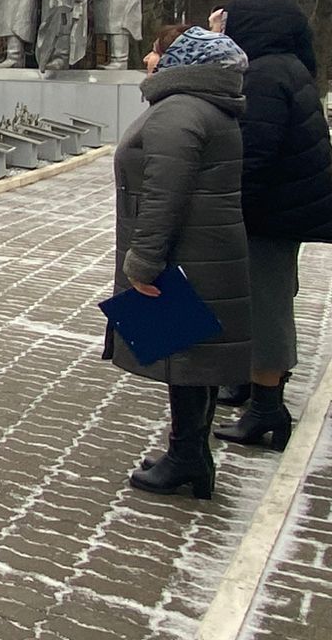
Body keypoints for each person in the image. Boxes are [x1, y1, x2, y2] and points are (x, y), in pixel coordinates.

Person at [111, 24, 252, 499]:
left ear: (180, 62)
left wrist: (143, 262)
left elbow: (164, 194)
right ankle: (189, 452)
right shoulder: (207, 106)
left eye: (155, 52)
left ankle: (188, 457)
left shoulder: (179, 111)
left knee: (184, 357)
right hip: (205, 248)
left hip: (184, 251)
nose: (149, 60)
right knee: (193, 355)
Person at [211, 0, 332, 450]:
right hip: (280, 211)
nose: (224, 31)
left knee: (266, 309)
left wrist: (230, 209)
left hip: (266, 215)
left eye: (229, 23)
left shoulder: (264, 75)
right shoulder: (287, 67)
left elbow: (253, 154)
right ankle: (249, 382)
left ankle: (267, 409)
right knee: (257, 302)